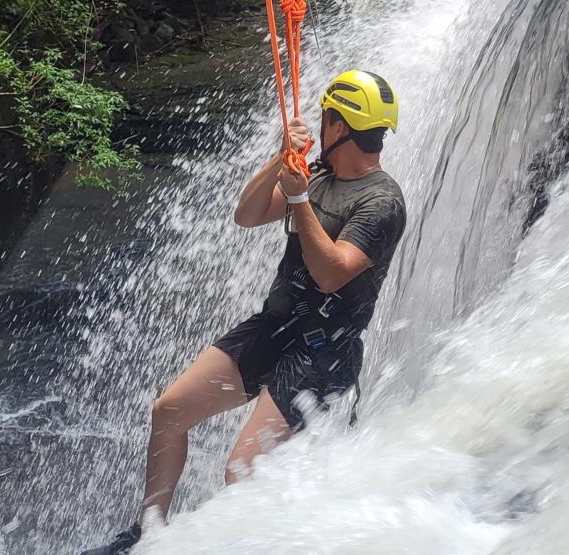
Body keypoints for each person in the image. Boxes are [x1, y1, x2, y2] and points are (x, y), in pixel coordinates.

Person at [82, 69, 406, 554]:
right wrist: (281, 161)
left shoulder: (382, 202)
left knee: (242, 471)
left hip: (323, 351)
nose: (321, 125)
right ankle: (147, 535)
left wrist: (298, 199)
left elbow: (333, 273)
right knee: (169, 411)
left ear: (340, 127)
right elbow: (248, 214)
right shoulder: (318, 174)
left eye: (326, 118)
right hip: (275, 326)